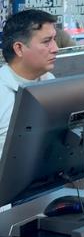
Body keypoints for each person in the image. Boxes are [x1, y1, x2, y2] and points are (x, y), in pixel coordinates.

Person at [0, 9, 58, 156]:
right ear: (19, 48)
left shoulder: (49, 80)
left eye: (54, 39)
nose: (55, 48)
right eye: (46, 42)